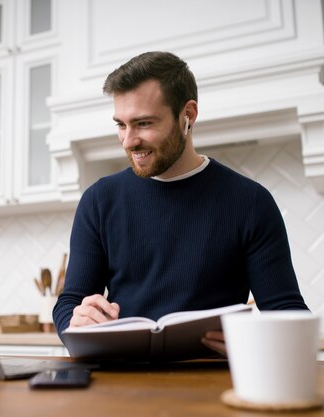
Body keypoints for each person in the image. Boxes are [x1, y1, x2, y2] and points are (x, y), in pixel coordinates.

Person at [52, 51, 308, 356]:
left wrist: (261, 340)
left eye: (144, 123)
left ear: (188, 114)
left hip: (213, 385)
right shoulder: (98, 201)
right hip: (120, 385)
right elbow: (70, 302)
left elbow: (289, 312)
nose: (128, 140)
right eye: (121, 124)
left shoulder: (250, 202)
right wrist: (75, 320)